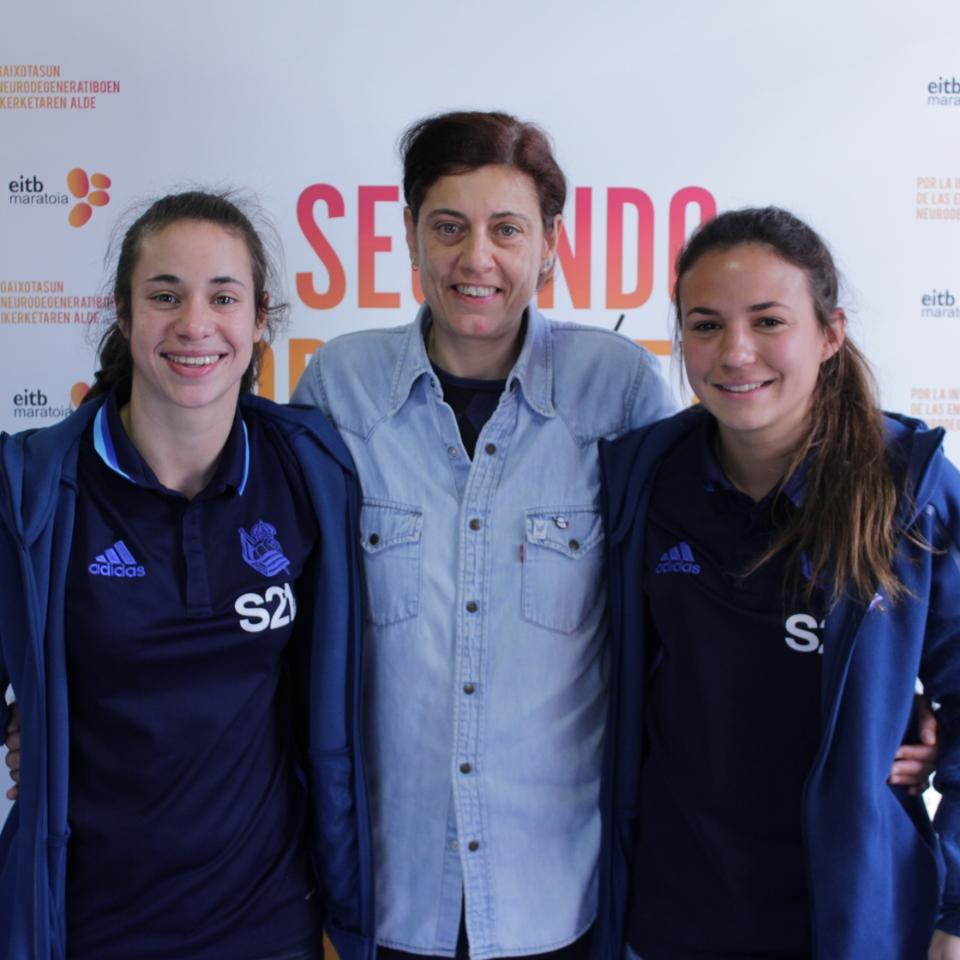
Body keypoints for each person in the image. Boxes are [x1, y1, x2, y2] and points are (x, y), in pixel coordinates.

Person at [291, 110, 676, 960]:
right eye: (449, 227)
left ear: (550, 245)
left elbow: (692, 592)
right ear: (410, 236)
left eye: (507, 229)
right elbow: (277, 605)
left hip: (557, 895)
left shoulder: (617, 390)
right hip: (390, 897)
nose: (477, 259)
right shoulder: (340, 387)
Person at [0, 191, 373, 960]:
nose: (195, 325)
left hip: (269, 922)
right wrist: (35, 717)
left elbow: (326, 699)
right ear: (124, 314)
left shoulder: (306, 469)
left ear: (260, 319)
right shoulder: (34, 486)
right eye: (165, 296)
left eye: (223, 297)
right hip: (90, 923)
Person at [599, 207, 960, 959]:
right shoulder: (644, 477)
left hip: (853, 921)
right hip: (675, 918)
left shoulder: (908, 487)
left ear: (830, 335)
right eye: (705, 325)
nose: (736, 353)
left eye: (768, 321)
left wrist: (954, 911)